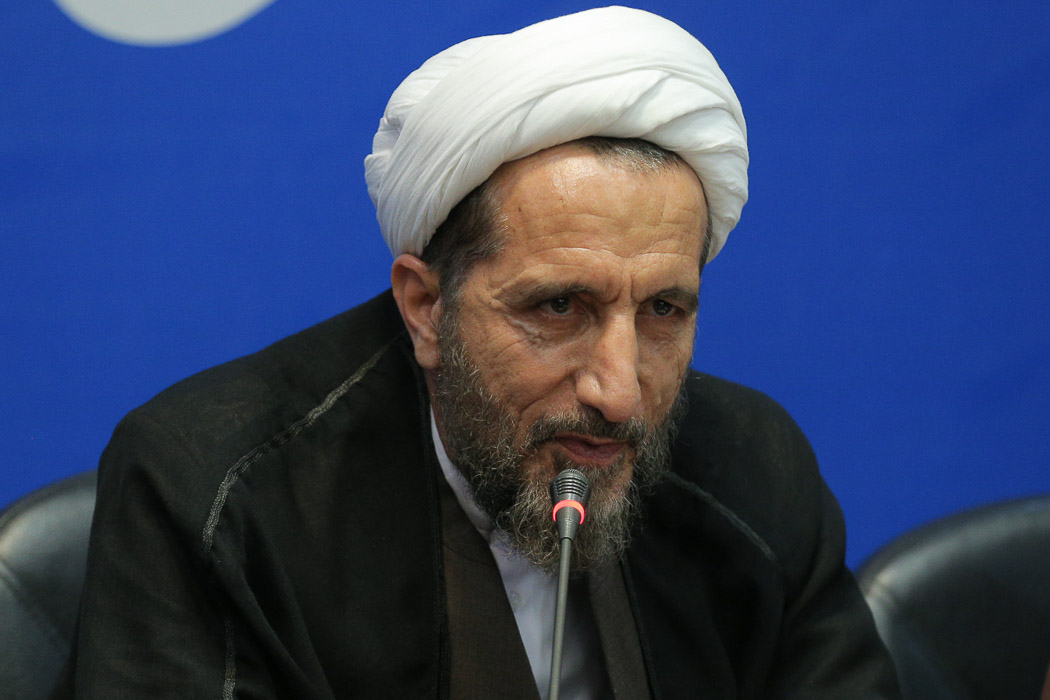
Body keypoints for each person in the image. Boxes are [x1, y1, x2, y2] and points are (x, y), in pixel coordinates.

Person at [54, 7, 900, 699]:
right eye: (559, 307)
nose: (618, 392)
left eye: (663, 311)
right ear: (426, 308)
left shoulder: (752, 469)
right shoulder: (217, 492)